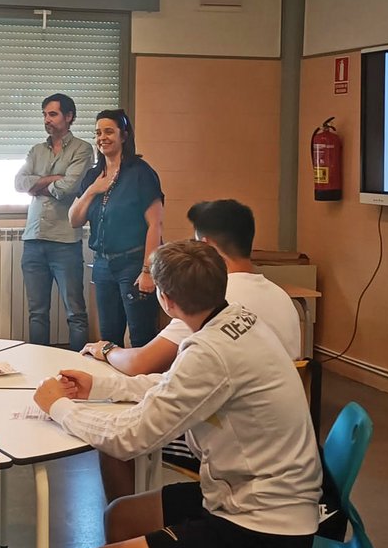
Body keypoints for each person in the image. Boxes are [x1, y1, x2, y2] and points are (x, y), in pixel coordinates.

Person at [33, 240, 321, 548]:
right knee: (121, 517)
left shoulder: (210, 351)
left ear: (165, 300)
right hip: (263, 499)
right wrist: (100, 385)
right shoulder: (236, 325)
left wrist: (59, 408)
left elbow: (129, 440)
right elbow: (172, 387)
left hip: (262, 530)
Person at [80, 198, 304, 502]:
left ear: (207, 248)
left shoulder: (209, 300)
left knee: (117, 436)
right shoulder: (279, 295)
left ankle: (130, 532)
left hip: (235, 434)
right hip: (275, 433)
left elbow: (142, 363)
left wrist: (105, 349)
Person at [69, 109, 164, 350]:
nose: (102, 137)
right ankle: (112, 385)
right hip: (103, 264)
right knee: (108, 337)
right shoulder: (93, 174)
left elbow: (155, 225)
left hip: (134, 263)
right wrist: (92, 190)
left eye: (109, 131)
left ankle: (145, 385)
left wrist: (148, 271)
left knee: (141, 334)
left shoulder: (141, 173)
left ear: (124, 135)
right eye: (98, 133)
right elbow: (74, 220)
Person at [14, 93, 94, 351]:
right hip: (33, 240)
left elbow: (68, 189)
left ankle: (79, 367)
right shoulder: (36, 150)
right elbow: (19, 184)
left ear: (69, 116)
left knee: (75, 312)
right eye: (44, 114)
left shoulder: (82, 149)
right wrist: (53, 178)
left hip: (64, 242)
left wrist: (38, 183)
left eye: (53, 114)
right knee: (37, 312)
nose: (47, 120)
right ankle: (40, 365)